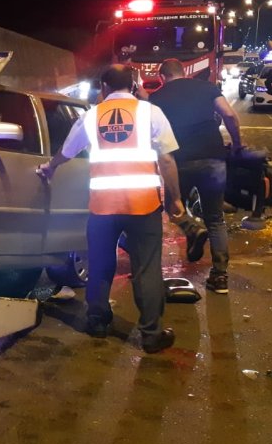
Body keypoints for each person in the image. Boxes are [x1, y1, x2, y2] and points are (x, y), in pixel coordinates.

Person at [38, 64, 183, 354]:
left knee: (101, 264)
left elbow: (67, 151)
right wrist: (176, 198)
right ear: (133, 84)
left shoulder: (91, 116)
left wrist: (50, 167)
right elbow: (166, 160)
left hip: (103, 206)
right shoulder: (150, 112)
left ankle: (97, 322)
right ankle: (151, 334)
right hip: (143, 205)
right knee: (146, 268)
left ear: (103, 87)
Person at [150, 59, 243, 294]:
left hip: (179, 162)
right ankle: (220, 276)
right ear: (184, 72)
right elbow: (229, 115)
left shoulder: (157, 97)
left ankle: (191, 228)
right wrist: (237, 144)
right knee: (215, 217)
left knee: (173, 207)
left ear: (162, 77)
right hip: (213, 158)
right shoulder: (207, 88)